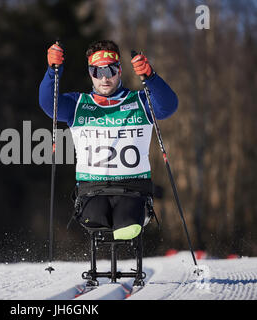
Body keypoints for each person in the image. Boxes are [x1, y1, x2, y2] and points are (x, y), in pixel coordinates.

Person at [39, 40, 178, 240]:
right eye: (97, 72)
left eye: (110, 70)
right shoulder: (78, 105)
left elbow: (168, 106)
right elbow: (48, 104)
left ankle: (129, 221)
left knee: (127, 225)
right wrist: (53, 71)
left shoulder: (139, 102)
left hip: (133, 190)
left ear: (119, 70)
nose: (104, 78)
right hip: (92, 191)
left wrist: (150, 77)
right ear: (90, 73)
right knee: (95, 220)